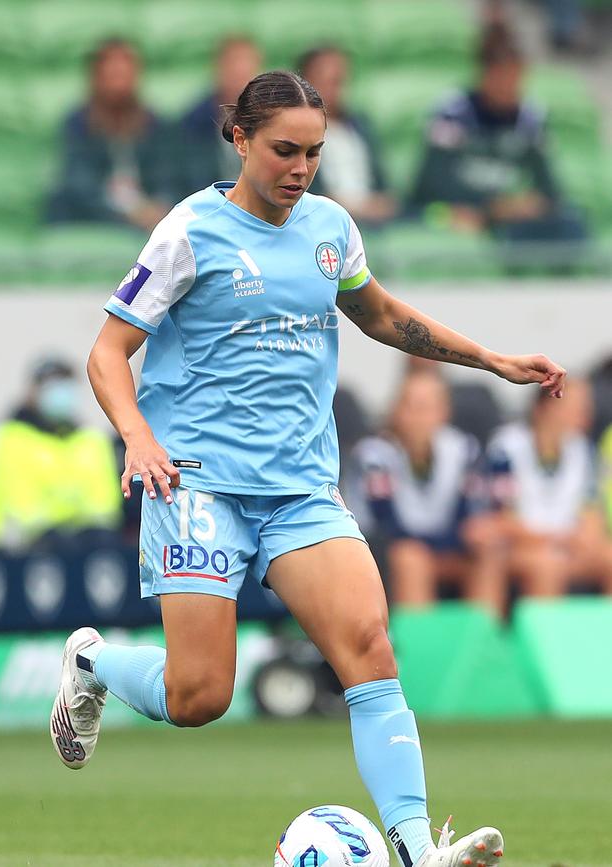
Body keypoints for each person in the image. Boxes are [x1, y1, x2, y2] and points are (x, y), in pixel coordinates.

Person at [50, 70, 566, 867]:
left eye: (314, 153)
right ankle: (89, 659)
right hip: (197, 483)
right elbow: (108, 352)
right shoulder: (190, 230)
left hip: (299, 489)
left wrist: (489, 358)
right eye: (284, 150)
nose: (300, 168)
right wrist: (137, 436)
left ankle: (418, 848)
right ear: (241, 139)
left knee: (368, 645)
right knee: (199, 697)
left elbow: (384, 316)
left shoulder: (330, 227)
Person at [408, 22, 587, 252]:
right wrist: (491, 207)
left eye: (515, 78)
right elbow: (429, 185)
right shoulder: (452, 113)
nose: (509, 87)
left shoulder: (531, 118)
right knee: (443, 219)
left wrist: (525, 205)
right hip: (459, 212)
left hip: (512, 217)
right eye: (501, 77)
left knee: (570, 225)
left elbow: (550, 190)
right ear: (484, 74)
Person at [348, 370, 505, 616]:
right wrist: (443, 543)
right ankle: (418, 649)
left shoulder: (463, 450)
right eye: (410, 406)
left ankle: (480, 647)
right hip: (386, 551)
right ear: (396, 411)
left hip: (444, 546)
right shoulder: (374, 456)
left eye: (426, 407)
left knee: (488, 554)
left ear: (444, 412)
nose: (417, 417)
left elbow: (468, 516)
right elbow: (387, 526)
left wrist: (474, 534)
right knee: (412, 559)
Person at [0, 357, 122, 549]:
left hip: (87, 548)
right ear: (33, 391)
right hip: (20, 551)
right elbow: (16, 504)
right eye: (52, 385)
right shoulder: (9, 438)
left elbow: (105, 504)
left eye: (66, 385)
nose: (61, 394)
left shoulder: (91, 440)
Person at [486, 378, 612, 597]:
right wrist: (555, 540)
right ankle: (544, 631)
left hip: (568, 545)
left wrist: (586, 538)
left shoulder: (583, 449)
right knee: (546, 566)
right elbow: (502, 519)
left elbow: (592, 510)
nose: (585, 413)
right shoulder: (506, 449)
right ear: (547, 405)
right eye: (576, 405)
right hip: (523, 547)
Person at [46, 39, 175, 232]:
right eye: (112, 76)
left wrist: (158, 206)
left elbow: (169, 177)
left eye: (125, 76)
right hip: (94, 220)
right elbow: (79, 186)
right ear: (97, 79)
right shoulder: (78, 126)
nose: (119, 86)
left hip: (146, 219)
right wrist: (127, 214)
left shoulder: (154, 125)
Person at [298, 45, 398, 226]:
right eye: (325, 80)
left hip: (374, 219)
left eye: (338, 80)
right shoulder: (296, 131)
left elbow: (383, 185)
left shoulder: (361, 125)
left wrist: (383, 202)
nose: (333, 88)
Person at [174, 36, 262, 198]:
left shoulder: (270, 123)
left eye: (245, 69)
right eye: (232, 66)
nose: (238, 75)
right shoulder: (192, 124)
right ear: (217, 68)